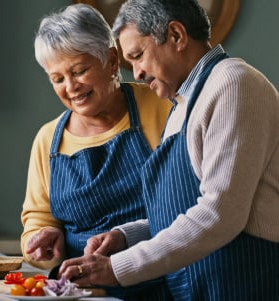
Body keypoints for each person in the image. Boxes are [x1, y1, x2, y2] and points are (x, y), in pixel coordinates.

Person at [58, 0, 279, 299]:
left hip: (240, 282)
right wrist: (126, 236)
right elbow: (184, 209)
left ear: (176, 35)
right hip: (198, 284)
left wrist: (118, 268)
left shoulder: (233, 84)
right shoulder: (182, 104)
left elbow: (219, 214)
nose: (135, 73)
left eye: (137, 56)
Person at [20, 4, 173, 299]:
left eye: (79, 71)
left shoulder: (162, 106)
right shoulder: (47, 139)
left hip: (159, 284)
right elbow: (38, 219)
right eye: (57, 79)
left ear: (112, 59)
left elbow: (185, 205)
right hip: (81, 291)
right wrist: (44, 241)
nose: (71, 87)